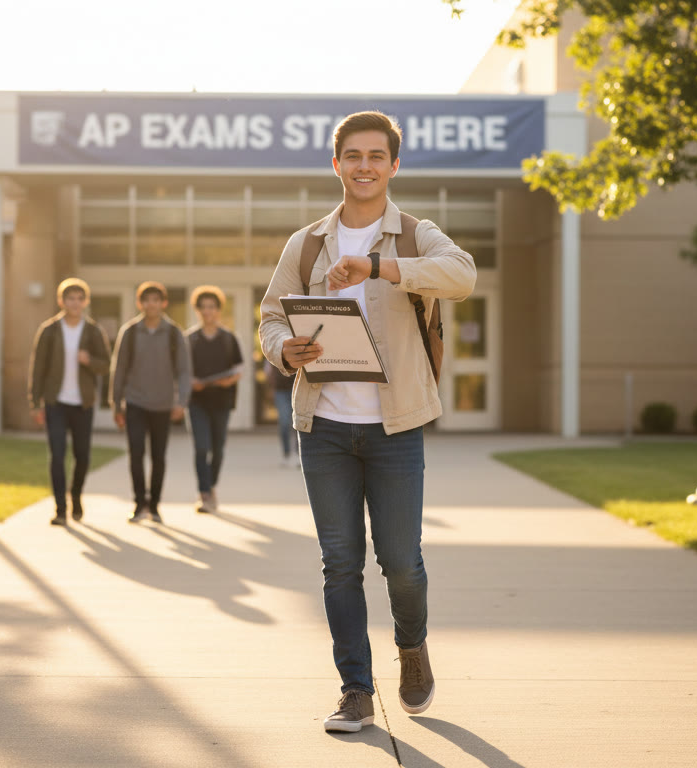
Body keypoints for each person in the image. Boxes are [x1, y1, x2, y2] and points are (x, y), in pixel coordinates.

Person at [258, 111, 476, 733]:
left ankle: (412, 649)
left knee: (402, 561)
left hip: (394, 427)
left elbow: (462, 276)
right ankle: (355, 687)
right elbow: (271, 316)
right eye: (352, 155)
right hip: (324, 427)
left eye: (376, 156)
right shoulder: (305, 244)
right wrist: (282, 349)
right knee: (340, 563)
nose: (364, 166)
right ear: (336, 165)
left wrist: (381, 268)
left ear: (393, 165)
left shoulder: (413, 235)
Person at [27, 277, 113, 526]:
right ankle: (60, 509)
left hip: (82, 404)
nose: (74, 303)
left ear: (85, 302)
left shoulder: (93, 331)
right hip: (56, 402)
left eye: (79, 298)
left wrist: (89, 360)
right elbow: (37, 368)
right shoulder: (50, 330)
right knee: (57, 455)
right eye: (69, 298)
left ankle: (76, 496)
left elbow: (106, 365)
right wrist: (35, 402)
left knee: (82, 455)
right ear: (61, 301)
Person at [110, 281, 191, 524]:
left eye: (156, 300)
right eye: (147, 300)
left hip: (163, 404)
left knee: (158, 456)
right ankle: (139, 504)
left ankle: (154, 505)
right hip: (135, 402)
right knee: (136, 454)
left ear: (163, 303)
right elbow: (119, 369)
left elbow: (184, 370)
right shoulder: (131, 332)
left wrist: (181, 402)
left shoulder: (174, 333)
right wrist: (115, 403)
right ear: (140, 303)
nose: (151, 304)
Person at [185, 286, 244, 514]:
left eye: (212, 307)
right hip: (197, 401)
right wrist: (190, 381)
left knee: (218, 449)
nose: (208, 311)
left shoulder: (229, 339)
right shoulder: (189, 339)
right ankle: (204, 494)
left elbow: (238, 369)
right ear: (197, 310)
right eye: (203, 307)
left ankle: (211, 486)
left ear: (218, 310)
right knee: (201, 448)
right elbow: (181, 371)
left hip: (222, 401)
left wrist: (229, 381)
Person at [266, 360, 297, 468]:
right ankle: (286, 453)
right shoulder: (275, 345)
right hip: (280, 390)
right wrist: (271, 387)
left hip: (296, 389)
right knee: (284, 422)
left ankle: (298, 453)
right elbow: (268, 371)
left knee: (298, 423)